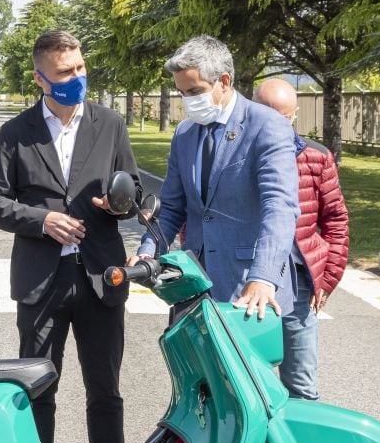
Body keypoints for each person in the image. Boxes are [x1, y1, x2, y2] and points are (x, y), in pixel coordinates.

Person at [0, 29, 140, 443]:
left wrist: (118, 204)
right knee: (37, 389)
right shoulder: (16, 132)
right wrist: (42, 220)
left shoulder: (110, 123)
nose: (77, 77)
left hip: (100, 277)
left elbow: (134, 190)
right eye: (64, 72)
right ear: (40, 78)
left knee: (105, 391)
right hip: (40, 281)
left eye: (80, 67)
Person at [133, 35, 300, 321]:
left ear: (224, 81)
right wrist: (148, 251)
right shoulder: (185, 133)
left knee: (241, 367)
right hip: (193, 284)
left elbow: (280, 207)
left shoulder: (267, 126)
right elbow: (172, 207)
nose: (188, 100)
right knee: (190, 364)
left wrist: (263, 277)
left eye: (195, 90)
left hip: (249, 289)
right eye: (182, 93)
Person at [254, 78, 349, 400]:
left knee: (301, 385)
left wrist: (327, 279)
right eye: (267, 114)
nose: (275, 124)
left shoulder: (317, 157)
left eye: (283, 117)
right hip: (245, 280)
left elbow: (335, 221)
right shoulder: (233, 154)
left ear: (294, 116)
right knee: (247, 383)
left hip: (300, 285)